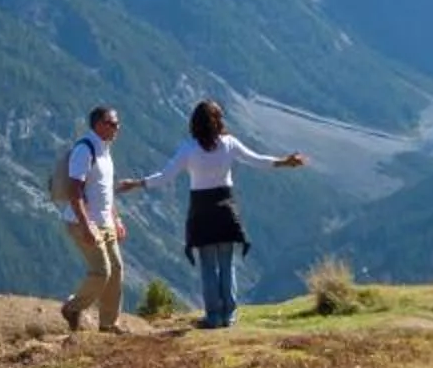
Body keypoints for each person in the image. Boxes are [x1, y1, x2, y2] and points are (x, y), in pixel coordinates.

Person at [120, 99, 308, 329]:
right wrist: (285, 162)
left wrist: (137, 183)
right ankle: (229, 315)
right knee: (227, 264)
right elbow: (257, 160)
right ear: (217, 121)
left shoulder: (188, 148)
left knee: (208, 265)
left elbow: (165, 176)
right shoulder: (229, 144)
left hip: (201, 210)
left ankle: (214, 316)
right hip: (225, 208)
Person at [58, 105, 126, 334]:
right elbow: (74, 192)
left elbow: (105, 190)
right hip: (83, 223)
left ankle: (109, 324)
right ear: (99, 124)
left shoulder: (105, 150)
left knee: (116, 269)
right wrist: (86, 226)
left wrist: (117, 219)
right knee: (101, 271)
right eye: (113, 123)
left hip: (105, 221)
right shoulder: (84, 150)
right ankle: (72, 308)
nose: (118, 127)